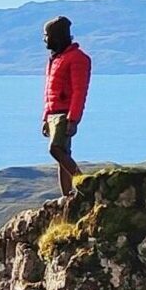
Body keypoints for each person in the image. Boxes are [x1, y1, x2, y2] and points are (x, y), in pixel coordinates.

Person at [41, 15, 91, 196]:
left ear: (56, 36)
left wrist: (73, 119)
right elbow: (49, 92)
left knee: (55, 149)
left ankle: (84, 183)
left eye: (47, 35)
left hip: (64, 113)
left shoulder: (77, 58)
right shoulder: (55, 59)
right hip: (54, 113)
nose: (44, 39)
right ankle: (67, 196)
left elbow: (79, 91)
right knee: (63, 155)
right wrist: (46, 117)